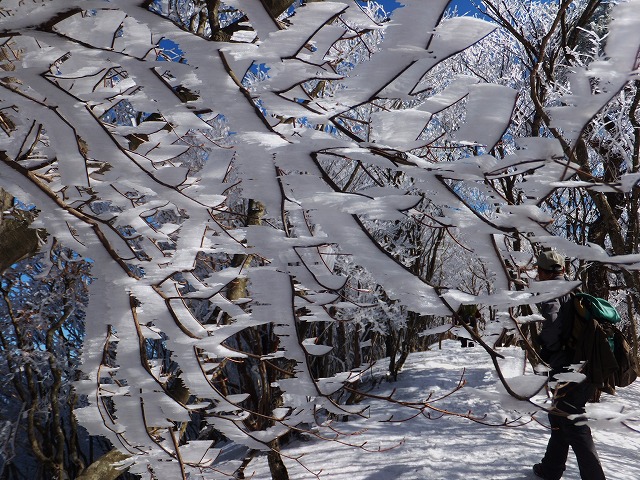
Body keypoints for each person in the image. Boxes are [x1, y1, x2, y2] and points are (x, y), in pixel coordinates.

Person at [533, 250, 606, 480]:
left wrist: (547, 347)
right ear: (563, 270)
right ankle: (551, 468)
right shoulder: (575, 289)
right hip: (585, 364)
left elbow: (552, 326)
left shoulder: (551, 293)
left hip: (566, 367)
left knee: (574, 423)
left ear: (542, 272)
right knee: (559, 416)